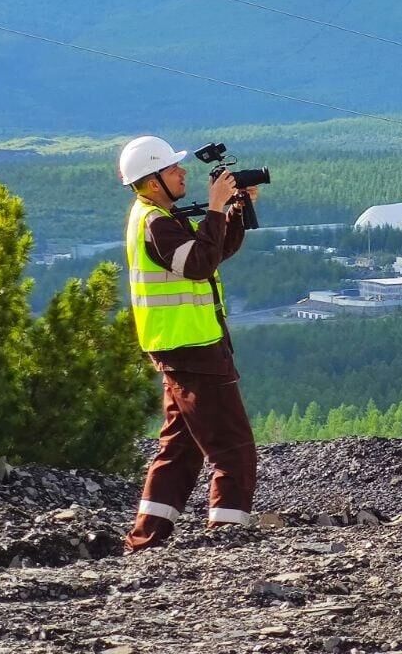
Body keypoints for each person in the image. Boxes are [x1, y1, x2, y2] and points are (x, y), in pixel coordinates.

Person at [117, 135, 259, 551]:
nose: (183, 173)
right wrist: (215, 207)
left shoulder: (159, 215)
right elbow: (198, 265)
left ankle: (146, 539)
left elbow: (210, 252)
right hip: (192, 348)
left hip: (182, 346)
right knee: (234, 450)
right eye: (174, 168)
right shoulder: (156, 222)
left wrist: (233, 212)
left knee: (180, 447)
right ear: (152, 179)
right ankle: (227, 542)